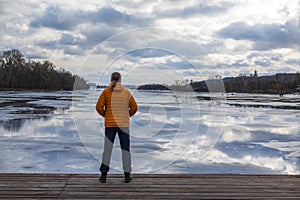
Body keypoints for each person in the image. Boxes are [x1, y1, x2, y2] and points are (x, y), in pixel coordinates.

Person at [96, 72, 138, 183]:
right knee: (125, 150)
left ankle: (103, 176)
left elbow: (98, 106)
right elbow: (134, 107)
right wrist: (127, 115)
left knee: (107, 150)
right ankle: (127, 176)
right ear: (120, 80)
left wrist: (105, 114)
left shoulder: (105, 92)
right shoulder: (127, 93)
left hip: (110, 125)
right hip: (123, 125)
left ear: (111, 79)